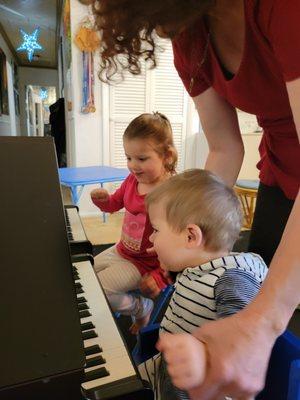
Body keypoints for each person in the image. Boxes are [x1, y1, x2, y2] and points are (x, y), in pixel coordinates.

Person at [89, 1, 300, 397]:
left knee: (270, 320)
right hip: (280, 169)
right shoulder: (190, 35)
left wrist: (262, 321)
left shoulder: (283, 10)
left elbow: (250, 315)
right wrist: (183, 226)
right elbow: (223, 147)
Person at [138, 169, 268, 400]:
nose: (151, 239)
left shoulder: (232, 279)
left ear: (190, 237)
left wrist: (205, 356)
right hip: (170, 370)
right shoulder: (198, 268)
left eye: (156, 230)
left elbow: (242, 344)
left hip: (201, 388)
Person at [91, 112, 177, 333]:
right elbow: (114, 203)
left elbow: (177, 244)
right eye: (129, 157)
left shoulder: (171, 193)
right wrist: (102, 201)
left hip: (144, 264)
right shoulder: (132, 180)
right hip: (122, 251)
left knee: (98, 292)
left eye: (141, 159)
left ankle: (141, 308)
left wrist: (160, 276)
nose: (133, 165)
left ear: (166, 156)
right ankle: (120, 303)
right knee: (85, 274)